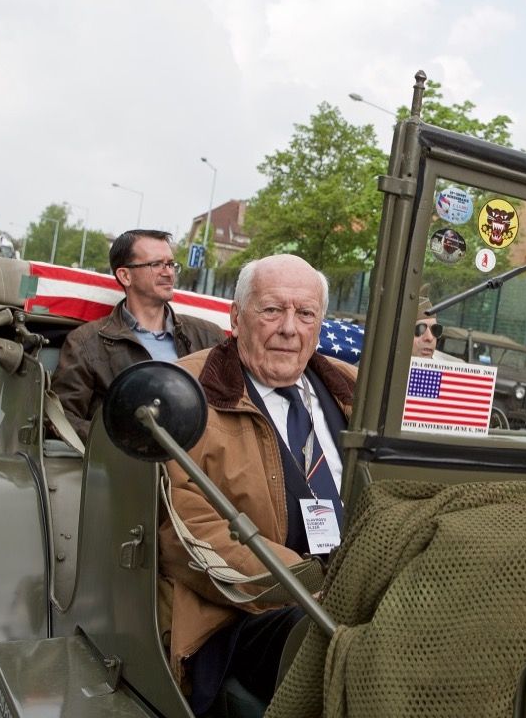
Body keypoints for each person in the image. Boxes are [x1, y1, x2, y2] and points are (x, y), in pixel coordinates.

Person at [158, 254, 358, 713]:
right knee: (347, 648)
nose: (289, 328)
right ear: (236, 317)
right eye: (271, 310)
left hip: (356, 588)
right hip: (240, 614)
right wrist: (306, 586)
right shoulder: (183, 393)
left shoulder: (353, 386)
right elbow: (185, 529)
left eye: (305, 314)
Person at [51, 229, 225, 441]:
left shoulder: (209, 337)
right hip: (127, 460)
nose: (169, 273)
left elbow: (234, 407)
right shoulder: (86, 343)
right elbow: (60, 418)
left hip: (200, 458)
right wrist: (125, 443)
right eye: (156, 264)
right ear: (125, 276)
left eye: (171, 264)